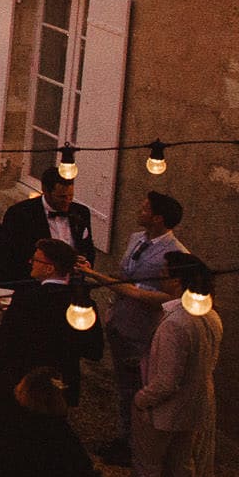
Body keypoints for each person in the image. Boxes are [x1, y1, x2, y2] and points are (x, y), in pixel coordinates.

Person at [130, 252, 222, 477]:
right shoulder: (211, 316)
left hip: (164, 412)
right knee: (183, 468)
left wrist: (142, 399)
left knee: (149, 469)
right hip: (195, 407)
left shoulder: (175, 324)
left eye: (166, 273)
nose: (161, 278)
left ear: (177, 281)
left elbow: (166, 381)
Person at [88, 190, 189, 462]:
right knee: (123, 386)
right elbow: (125, 275)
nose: (139, 211)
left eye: (145, 209)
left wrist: (98, 278)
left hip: (144, 329)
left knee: (138, 387)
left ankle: (137, 445)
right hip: (120, 320)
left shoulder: (176, 254)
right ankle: (125, 437)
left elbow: (170, 297)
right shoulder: (136, 239)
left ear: (157, 218)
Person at [0, 239, 104, 408]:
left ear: (49, 268)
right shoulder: (84, 305)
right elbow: (94, 350)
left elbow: (4, 343)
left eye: (36, 260)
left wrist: (0, 378)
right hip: (62, 385)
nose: (30, 262)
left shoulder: (25, 299)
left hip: (26, 382)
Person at [1, 166, 95, 270]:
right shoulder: (19, 213)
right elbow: (12, 254)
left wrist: (86, 264)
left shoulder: (81, 212)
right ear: (45, 191)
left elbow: (88, 249)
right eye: (62, 197)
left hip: (73, 281)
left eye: (70, 196)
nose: (67, 201)